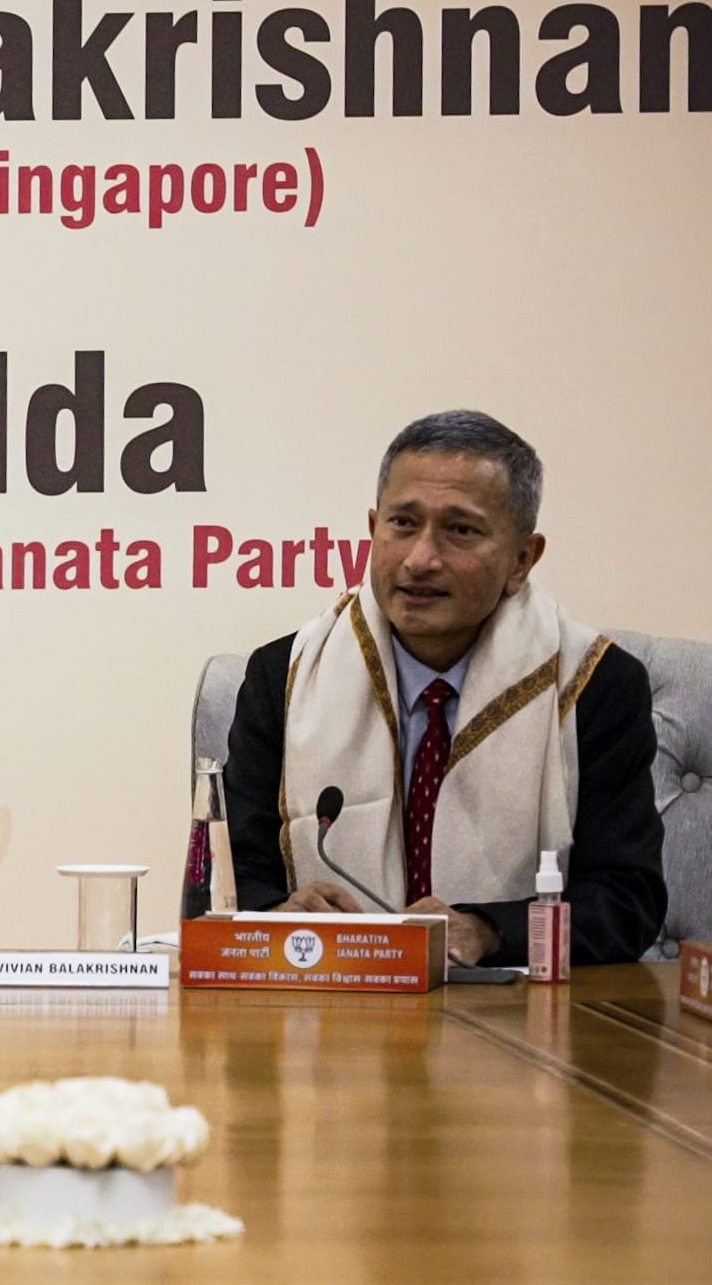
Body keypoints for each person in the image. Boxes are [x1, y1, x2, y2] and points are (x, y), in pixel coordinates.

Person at [223, 411, 666, 966]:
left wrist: (488, 930)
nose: (420, 559)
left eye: (460, 531)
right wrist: (280, 916)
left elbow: (627, 902)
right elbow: (235, 878)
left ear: (523, 559)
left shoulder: (595, 683)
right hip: (330, 1013)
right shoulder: (283, 675)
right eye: (402, 524)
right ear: (372, 529)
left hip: (512, 1024)